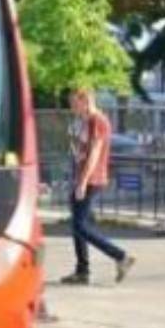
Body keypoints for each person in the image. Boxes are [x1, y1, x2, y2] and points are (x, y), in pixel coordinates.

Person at [58, 87, 135, 285]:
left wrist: (83, 181)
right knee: (78, 225)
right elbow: (82, 150)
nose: (72, 107)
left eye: (74, 103)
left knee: (79, 225)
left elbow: (94, 153)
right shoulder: (85, 121)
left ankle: (120, 256)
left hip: (92, 179)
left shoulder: (97, 121)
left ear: (85, 100)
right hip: (83, 178)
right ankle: (82, 271)